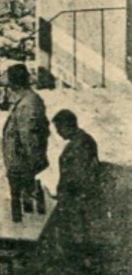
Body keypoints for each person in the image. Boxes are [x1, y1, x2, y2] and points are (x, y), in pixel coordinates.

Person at [1, 63, 50, 223]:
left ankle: (23, 231)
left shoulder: (28, 104)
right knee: (23, 207)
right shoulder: (26, 101)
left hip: (23, 165)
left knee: (25, 210)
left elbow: (30, 137)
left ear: (14, 83)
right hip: (20, 163)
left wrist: (32, 164)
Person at [52, 109, 103, 255]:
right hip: (75, 198)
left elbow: (78, 176)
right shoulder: (79, 141)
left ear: (67, 125)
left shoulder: (80, 144)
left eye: (58, 128)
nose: (58, 132)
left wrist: (65, 195)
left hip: (78, 199)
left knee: (78, 237)